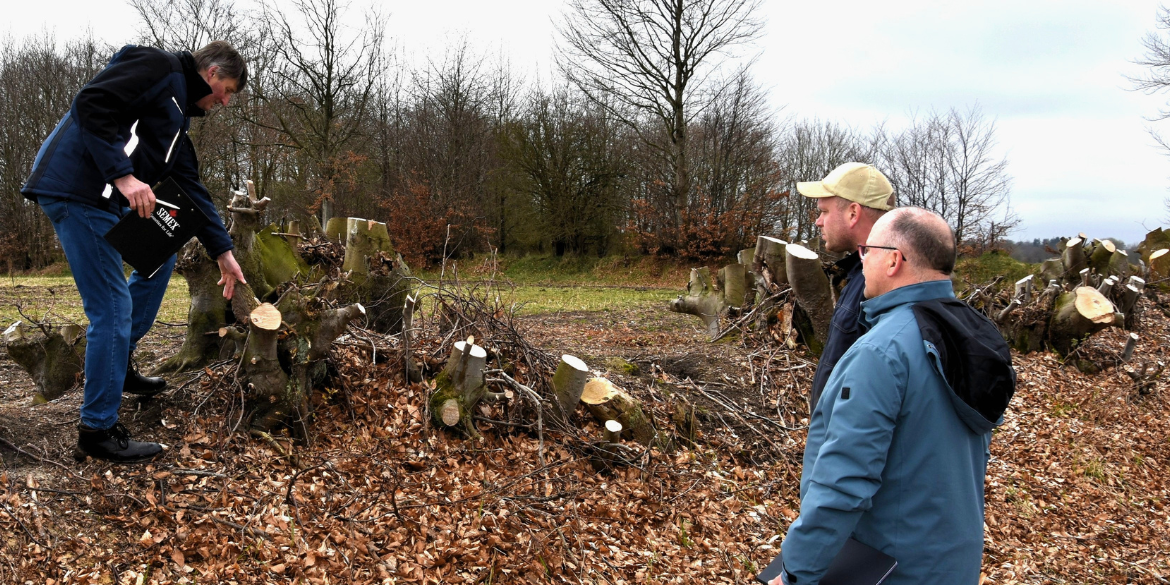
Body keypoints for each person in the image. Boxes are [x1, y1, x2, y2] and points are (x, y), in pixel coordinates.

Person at [21, 41, 249, 463]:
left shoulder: (177, 117)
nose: (226, 101)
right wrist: (124, 177)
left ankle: (118, 365)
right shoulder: (157, 66)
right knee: (111, 308)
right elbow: (92, 103)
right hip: (77, 191)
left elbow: (191, 188)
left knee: (159, 259)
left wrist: (223, 251)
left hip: (104, 200)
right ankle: (97, 430)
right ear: (213, 73)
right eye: (229, 90)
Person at [769, 207, 1015, 585]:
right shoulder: (972, 335)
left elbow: (844, 483)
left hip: (889, 568)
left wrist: (796, 573)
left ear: (894, 261)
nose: (861, 260)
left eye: (867, 251)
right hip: (951, 564)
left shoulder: (883, 352)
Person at [796, 162, 895, 411]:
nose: (818, 222)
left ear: (853, 213)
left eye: (825, 212)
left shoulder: (881, 285)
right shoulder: (862, 274)